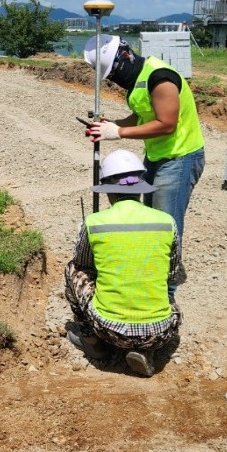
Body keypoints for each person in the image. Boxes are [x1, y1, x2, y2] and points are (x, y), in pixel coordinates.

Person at [83, 35, 205, 302]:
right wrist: (109, 125)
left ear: (123, 60)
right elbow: (141, 116)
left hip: (179, 158)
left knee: (166, 225)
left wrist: (119, 133)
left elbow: (166, 123)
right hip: (157, 156)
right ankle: (149, 277)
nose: (114, 81)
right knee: (150, 220)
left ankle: (165, 296)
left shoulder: (159, 78)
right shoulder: (137, 84)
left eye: (113, 74)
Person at [65, 149, 183, 377]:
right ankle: (146, 349)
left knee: (73, 270)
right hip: (161, 331)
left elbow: (82, 264)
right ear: (140, 189)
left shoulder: (94, 223)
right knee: (165, 289)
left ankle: (93, 342)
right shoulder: (167, 222)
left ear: (108, 191)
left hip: (109, 329)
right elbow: (172, 274)